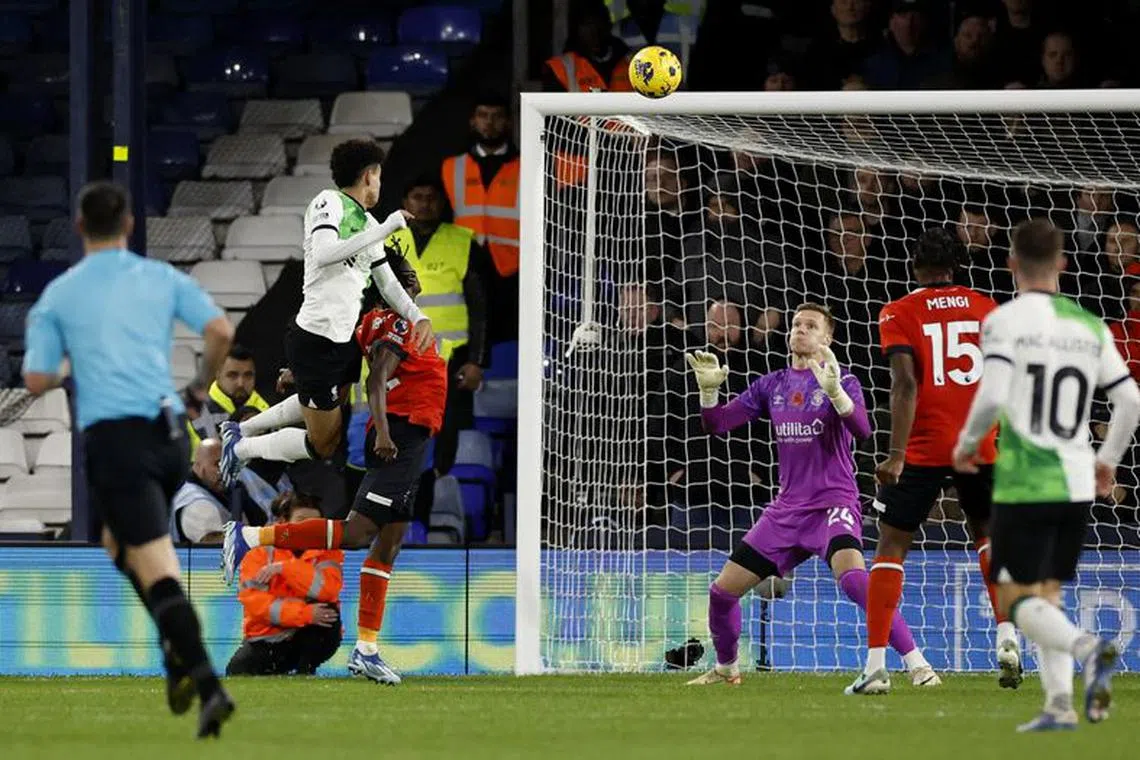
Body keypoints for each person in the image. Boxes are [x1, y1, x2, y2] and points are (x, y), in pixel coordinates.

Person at [22, 181, 235, 737]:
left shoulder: (60, 295)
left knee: (156, 565)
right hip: (170, 435)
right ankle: (176, 647)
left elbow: (36, 377)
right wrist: (198, 388)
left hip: (118, 443)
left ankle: (205, 680)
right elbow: (220, 330)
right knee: (120, 545)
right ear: (129, 226)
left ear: (77, 227)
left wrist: (70, 367)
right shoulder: (158, 277)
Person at [684, 303, 939, 689]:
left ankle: (918, 664)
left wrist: (836, 393)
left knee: (854, 579)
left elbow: (863, 429)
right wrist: (708, 392)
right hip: (786, 511)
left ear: (827, 338)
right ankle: (726, 668)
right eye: (797, 324)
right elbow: (717, 424)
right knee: (722, 593)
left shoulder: (844, 380)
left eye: (811, 325)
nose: (800, 330)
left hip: (832, 504)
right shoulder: (771, 385)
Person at [952, 219, 1140, 732]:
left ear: (1011, 263)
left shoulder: (1003, 321)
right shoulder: (1088, 324)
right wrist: (1109, 460)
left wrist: (967, 446)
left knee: (1016, 601)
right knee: (1048, 594)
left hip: (1026, 480)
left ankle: (1089, 648)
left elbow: (990, 396)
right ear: (1062, 263)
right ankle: (1059, 704)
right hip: (1078, 480)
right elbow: (1129, 399)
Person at [222, 257, 447, 685]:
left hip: (413, 438)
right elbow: (378, 379)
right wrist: (382, 432)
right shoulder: (395, 323)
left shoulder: (373, 324)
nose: (415, 282)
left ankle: (367, 649)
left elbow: (343, 372)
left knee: (389, 543)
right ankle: (250, 535)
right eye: (406, 278)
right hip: (398, 435)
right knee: (358, 533)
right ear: (389, 288)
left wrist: (299, 375)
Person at [854, 227, 1020, 696]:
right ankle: (1007, 636)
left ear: (914, 266)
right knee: (988, 537)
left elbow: (904, 385)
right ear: (957, 267)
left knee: (891, 548)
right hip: (980, 443)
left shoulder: (898, 311)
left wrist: (896, 454)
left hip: (924, 447)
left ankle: (875, 666)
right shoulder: (988, 308)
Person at [219, 139, 433, 484]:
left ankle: (240, 428)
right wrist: (386, 228)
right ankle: (242, 447)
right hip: (316, 339)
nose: (379, 184)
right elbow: (323, 254)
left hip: (345, 338)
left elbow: (388, 282)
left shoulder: (366, 223)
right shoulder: (328, 202)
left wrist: (417, 316)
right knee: (323, 444)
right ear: (369, 175)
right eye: (378, 176)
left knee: (328, 424)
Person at [385, 175, 490, 478]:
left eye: (431, 197)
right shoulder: (388, 240)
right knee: (402, 427)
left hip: (449, 356)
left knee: (444, 429)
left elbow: (481, 306)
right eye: (417, 197)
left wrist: (475, 360)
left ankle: (437, 484)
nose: (425, 204)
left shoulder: (462, 241)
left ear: (442, 203)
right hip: (400, 354)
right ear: (405, 203)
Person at [227, 491, 343, 676]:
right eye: (302, 520)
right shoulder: (259, 552)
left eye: (315, 523)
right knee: (237, 671)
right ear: (282, 522)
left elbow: (328, 590)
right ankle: (282, 668)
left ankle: (306, 670)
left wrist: (286, 568)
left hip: (309, 632)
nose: (309, 528)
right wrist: (303, 613)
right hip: (267, 637)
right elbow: (255, 603)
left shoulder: (328, 551)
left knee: (329, 613)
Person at [441, 93, 520, 344]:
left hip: (514, 270)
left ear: (508, 122)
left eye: (497, 116)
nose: (490, 122)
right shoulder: (450, 166)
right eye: (483, 116)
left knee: (511, 343)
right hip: (466, 265)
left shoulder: (530, 164)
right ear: (473, 121)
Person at [186, 344, 267, 459]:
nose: (241, 383)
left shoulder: (266, 411)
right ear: (217, 374)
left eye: (248, 376)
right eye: (232, 375)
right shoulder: (194, 414)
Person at [170, 439, 232, 544]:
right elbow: (217, 548)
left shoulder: (211, 486)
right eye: (218, 464)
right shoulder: (197, 504)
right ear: (199, 467)